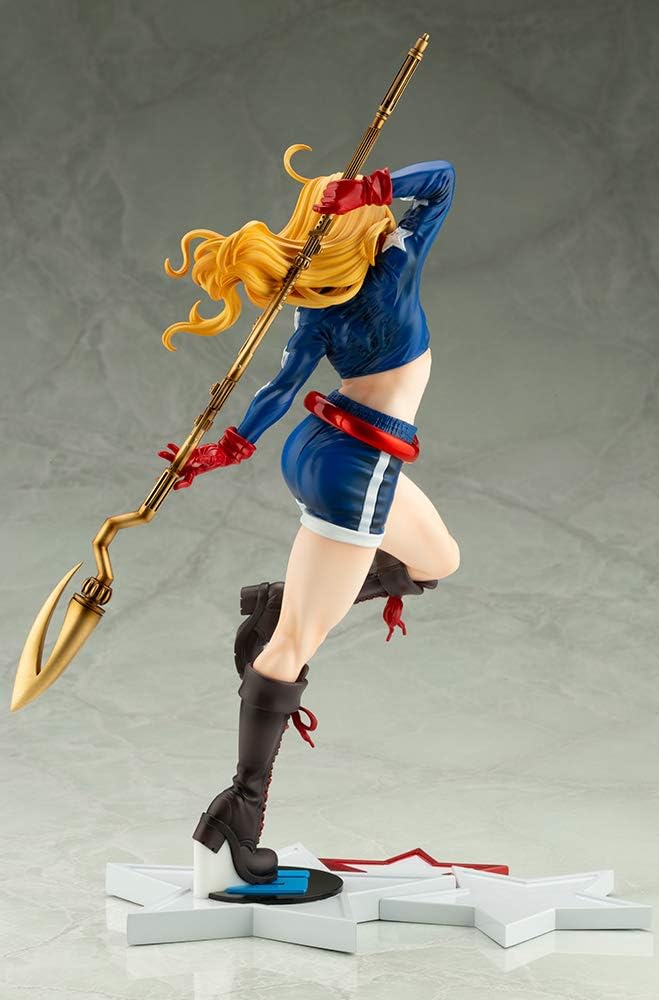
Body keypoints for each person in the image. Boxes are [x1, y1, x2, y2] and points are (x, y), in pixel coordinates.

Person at [159, 146, 461, 889]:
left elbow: (277, 390)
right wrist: (376, 186)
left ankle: (283, 602)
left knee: (436, 561)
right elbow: (442, 182)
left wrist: (228, 450)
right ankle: (239, 813)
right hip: (355, 468)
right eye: (371, 207)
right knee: (289, 649)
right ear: (363, 221)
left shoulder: (315, 307)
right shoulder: (394, 266)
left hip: (328, 449)